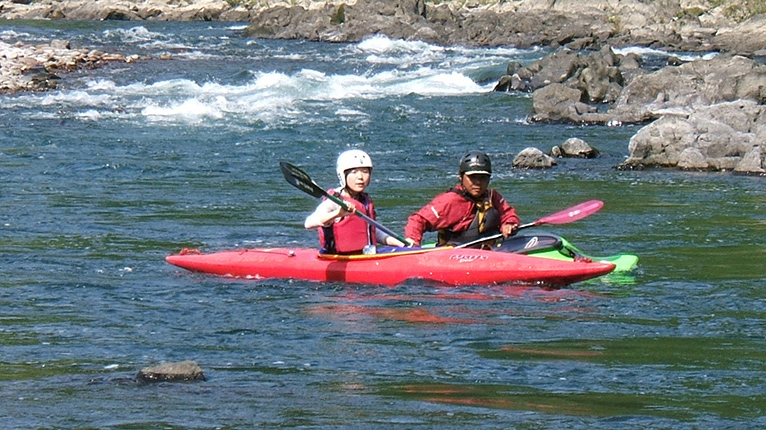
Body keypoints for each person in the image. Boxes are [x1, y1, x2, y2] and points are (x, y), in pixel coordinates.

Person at [404, 151, 520, 247]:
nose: (478, 182)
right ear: (461, 176)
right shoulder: (449, 201)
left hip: (488, 254)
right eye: (472, 177)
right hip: (454, 257)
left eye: (483, 178)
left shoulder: (492, 196)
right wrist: (413, 243)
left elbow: (507, 213)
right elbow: (418, 220)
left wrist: (509, 224)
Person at [305, 149, 407, 254]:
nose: (360, 177)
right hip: (340, 258)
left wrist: (402, 244)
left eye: (365, 172)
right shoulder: (335, 200)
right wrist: (338, 214)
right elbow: (309, 223)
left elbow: (372, 230)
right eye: (354, 172)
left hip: (366, 255)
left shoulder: (364, 200)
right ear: (343, 175)